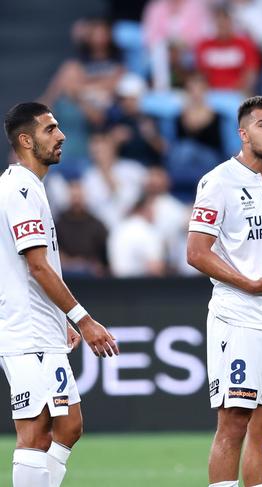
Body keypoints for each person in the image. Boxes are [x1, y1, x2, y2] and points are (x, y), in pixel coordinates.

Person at [186, 96, 262, 487]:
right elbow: (196, 252)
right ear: (243, 133)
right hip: (239, 316)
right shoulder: (218, 181)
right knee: (234, 422)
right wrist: (249, 283)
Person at [0, 102, 119, 487]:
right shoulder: (17, 188)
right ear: (25, 140)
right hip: (25, 329)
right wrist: (82, 319)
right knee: (34, 433)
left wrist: (59, 316)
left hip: (43, 325)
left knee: (69, 425)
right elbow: (37, 265)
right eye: (50, 129)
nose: (62, 135)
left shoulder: (32, 187)